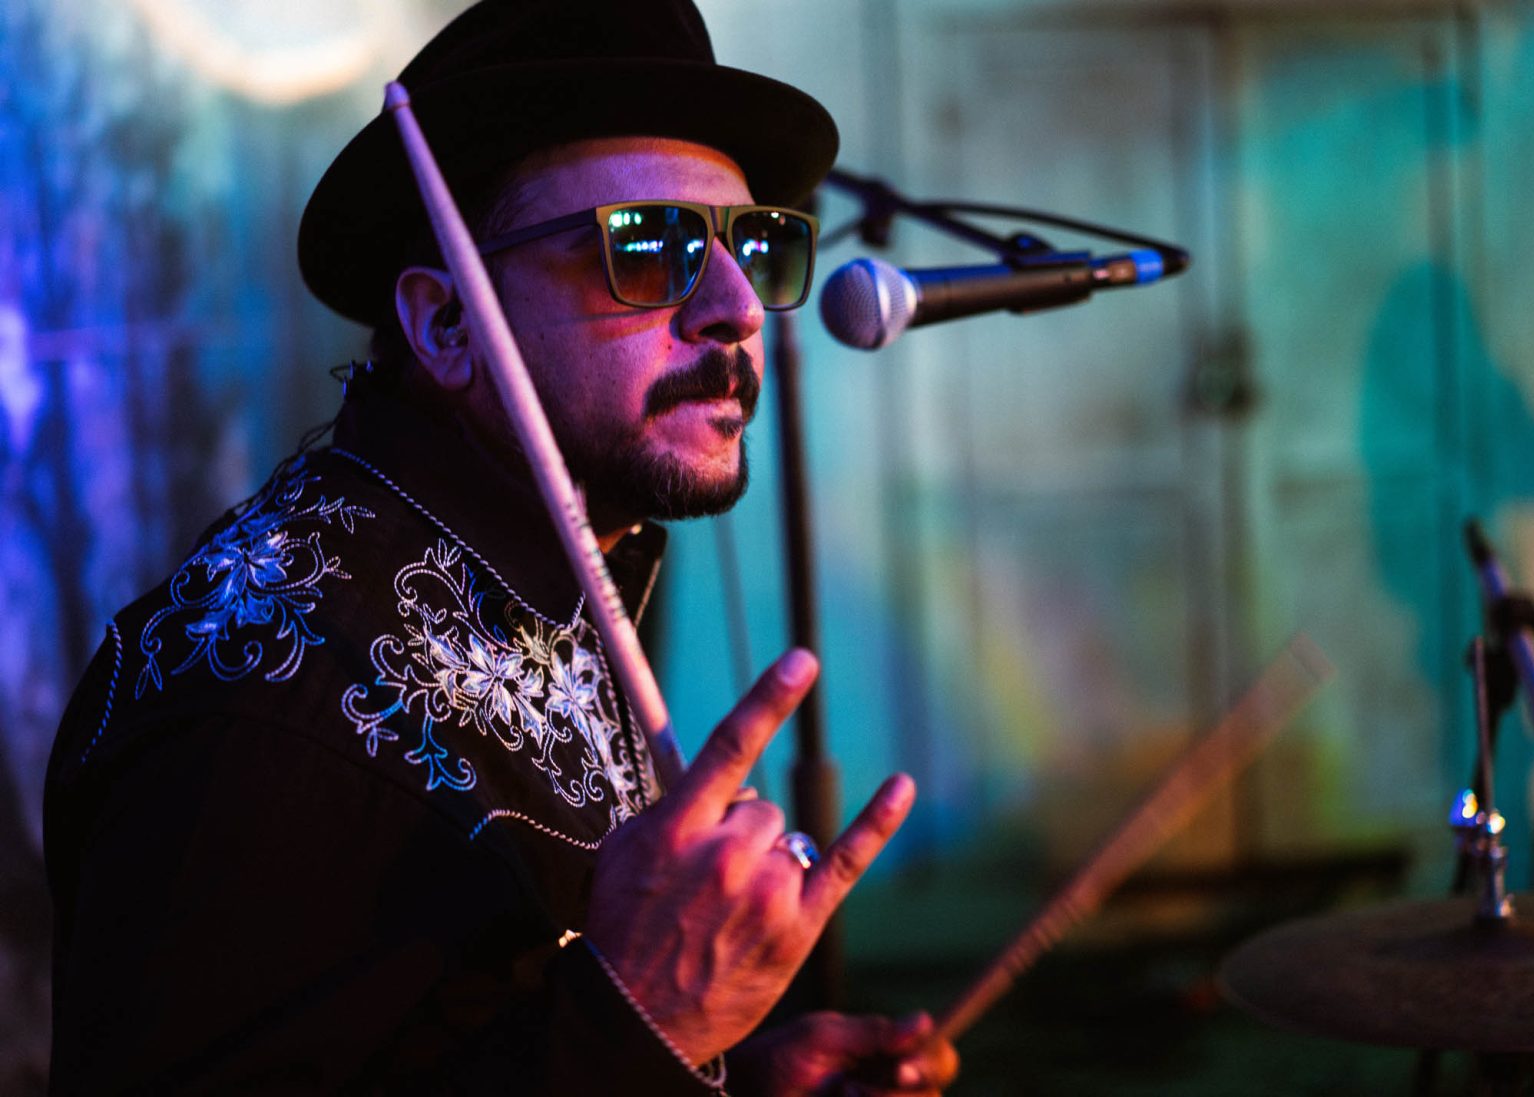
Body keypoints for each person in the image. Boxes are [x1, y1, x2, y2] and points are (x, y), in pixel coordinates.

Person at [43, 0, 961, 1093]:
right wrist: (637, 1021)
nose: (737, 308)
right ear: (445, 325)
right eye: (651, 247)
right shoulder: (262, 693)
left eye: (750, 246)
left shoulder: (558, 575)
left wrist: (722, 1072)